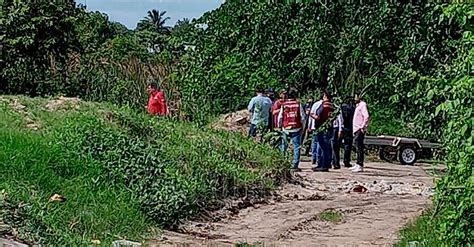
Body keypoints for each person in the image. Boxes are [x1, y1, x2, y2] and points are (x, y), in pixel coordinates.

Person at [278, 88, 305, 171]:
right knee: (296, 147)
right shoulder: (298, 104)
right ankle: (295, 165)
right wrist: (303, 127)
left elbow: (280, 117)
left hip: (285, 128)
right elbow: (303, 117)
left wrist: (280, 126)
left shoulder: (284, 104)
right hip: (296, 128)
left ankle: (282, 162)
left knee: (284, 146)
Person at [310, 90, 335, 172]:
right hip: (329, 128)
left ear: (325, 96)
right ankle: (324, 164)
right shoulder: (332, 106)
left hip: (322, 128)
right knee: (326, 147)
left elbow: (318, 117)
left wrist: (311, 114)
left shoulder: (324, 105)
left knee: (323, 147)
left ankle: (323, 165)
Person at [349, 95, 370, 173]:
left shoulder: (363, 105)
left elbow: (366, 116)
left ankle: (360, 164)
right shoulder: (358, 105)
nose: (354, 98)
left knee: (359, 147)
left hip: (359, 129)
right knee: (356, 146)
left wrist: (362, 126)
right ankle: (357, 163)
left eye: (356, 96)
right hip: (356, 129)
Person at [308, 96, 323, 167]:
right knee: (319, 143)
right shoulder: (324, 104)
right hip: (320, 126)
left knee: (314, 142)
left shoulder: (315, 104)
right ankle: (318, 158)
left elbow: (311, 115)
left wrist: (309, 126)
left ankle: (313, 158)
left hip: (314, 126)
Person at [340, 98, 355, 167]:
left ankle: (335, 161)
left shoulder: (341, 107)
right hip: (349, 128)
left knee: (336, 145)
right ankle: (346, 161)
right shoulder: (352, 108)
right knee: (348, 145)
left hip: (341, 127)